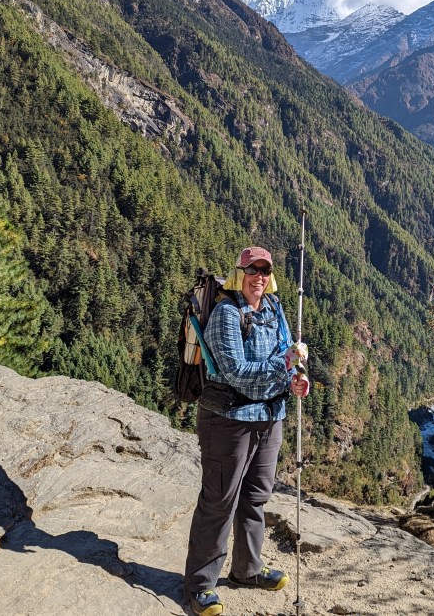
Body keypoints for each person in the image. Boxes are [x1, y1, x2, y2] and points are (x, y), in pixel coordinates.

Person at [184, 246, 310, 616]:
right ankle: (200, 586)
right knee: (219, 501)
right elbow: (235, 372)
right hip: (228, 420)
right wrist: (283, 365)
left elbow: (289, 353)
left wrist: (297, 379)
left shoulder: (274, 307)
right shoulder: (226, 312)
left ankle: (247, 569)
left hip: (269, 417)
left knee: (256, 496)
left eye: (265, 271)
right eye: (252, 270)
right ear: (240, 273)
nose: (259, 277)